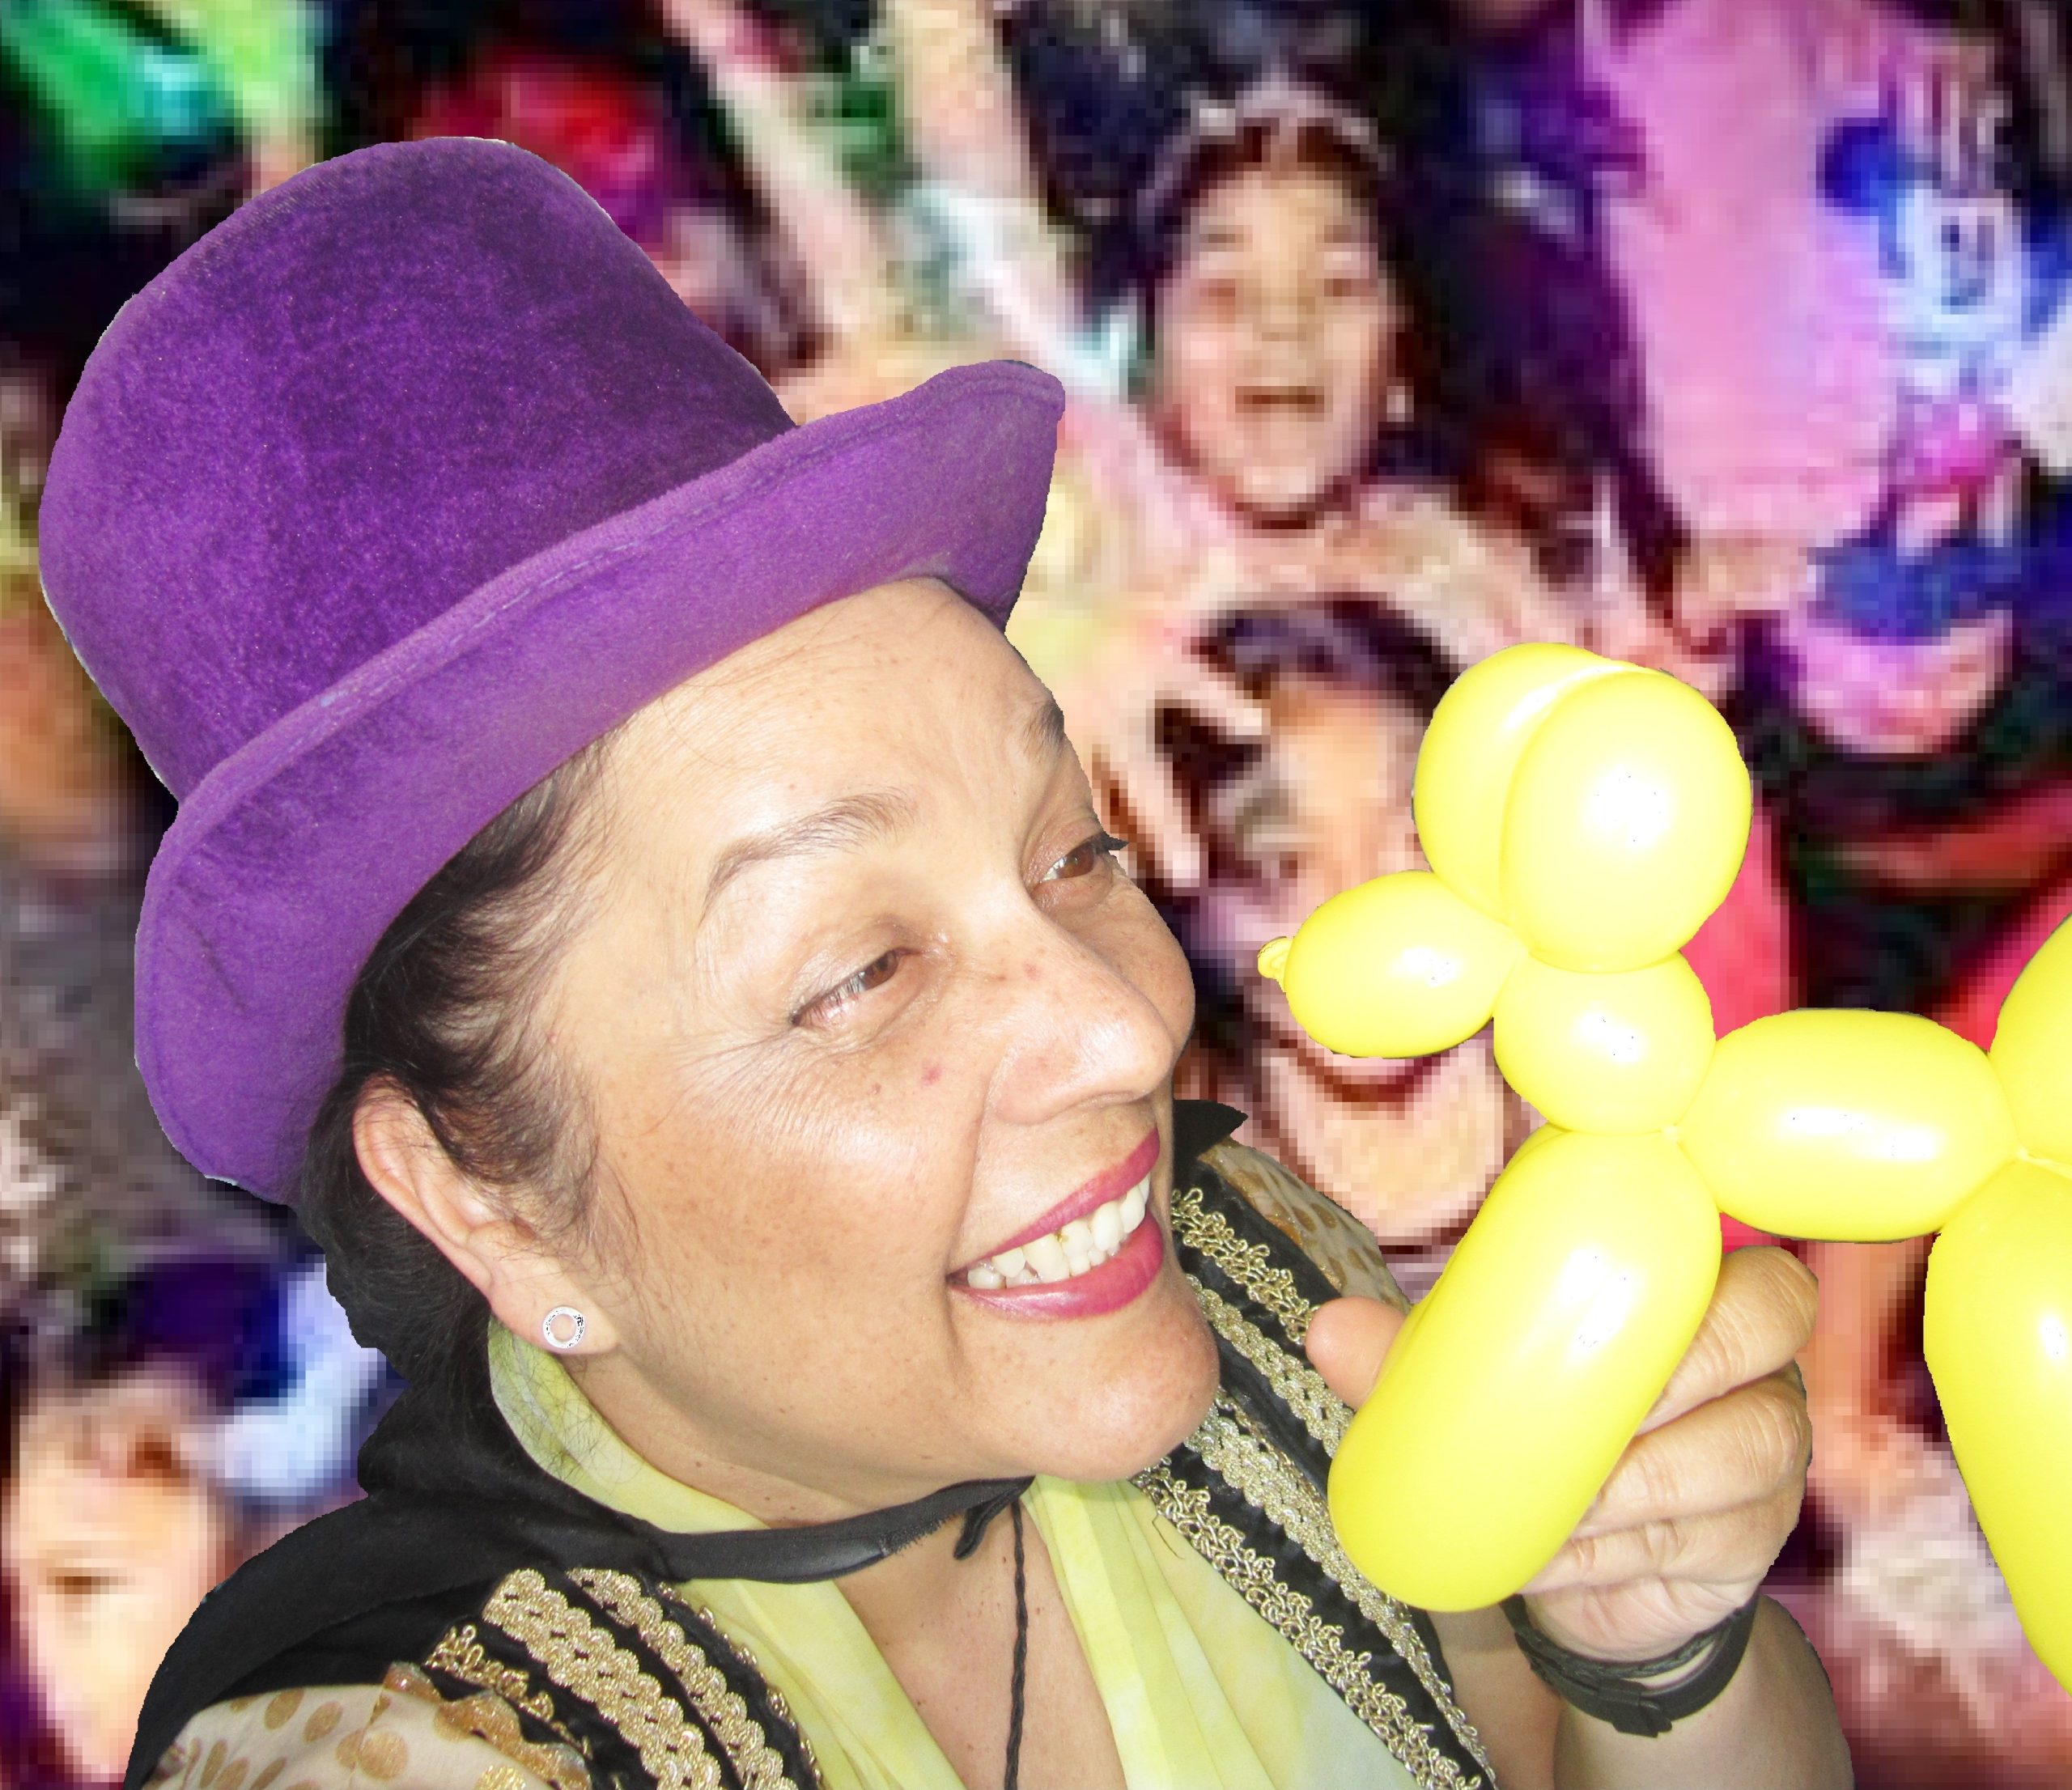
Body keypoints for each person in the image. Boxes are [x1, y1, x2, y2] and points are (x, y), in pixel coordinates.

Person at [40, 138, 1848, 1790]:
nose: (1123, 1024)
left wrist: (1654, 1659)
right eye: (860, 972)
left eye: (1076, 852)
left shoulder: (1248, 1268)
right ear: (489, 1198)